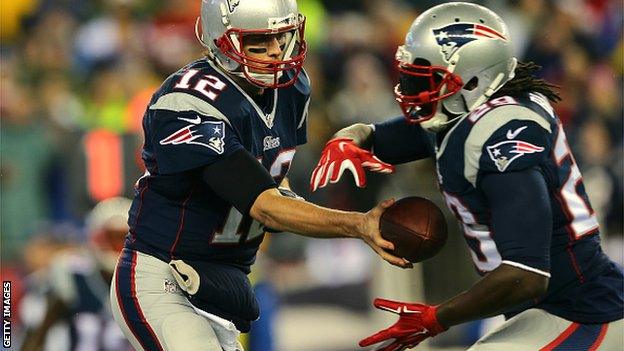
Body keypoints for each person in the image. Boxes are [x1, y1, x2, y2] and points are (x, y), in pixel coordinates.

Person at [310, 2, 624, 350]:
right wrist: (353, 137)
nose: (411, 90)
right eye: (411, 76)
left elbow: (527, 274)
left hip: (581, 311)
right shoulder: (467, 112)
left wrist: (435, 318)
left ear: (475, 80)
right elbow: (398, 135)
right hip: (546, 310)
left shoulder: (501, 137)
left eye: (425, 80)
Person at [109, 1, 410, 351]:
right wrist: (357, 224)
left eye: (281, 38)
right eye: (257, 43)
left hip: (223, 279)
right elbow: (264, 205)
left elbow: (277, 190)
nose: (275, 53)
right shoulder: (188, 102)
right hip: (162, 278)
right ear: (222, 43)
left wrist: (306, 210)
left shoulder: (292, 88)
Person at [20, 197, 133, 351]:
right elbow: (38, 332)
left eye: (125, 239)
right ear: (96, 238)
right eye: (114, 238)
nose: (120, 247)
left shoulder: (144, 282)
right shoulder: (73, 276)